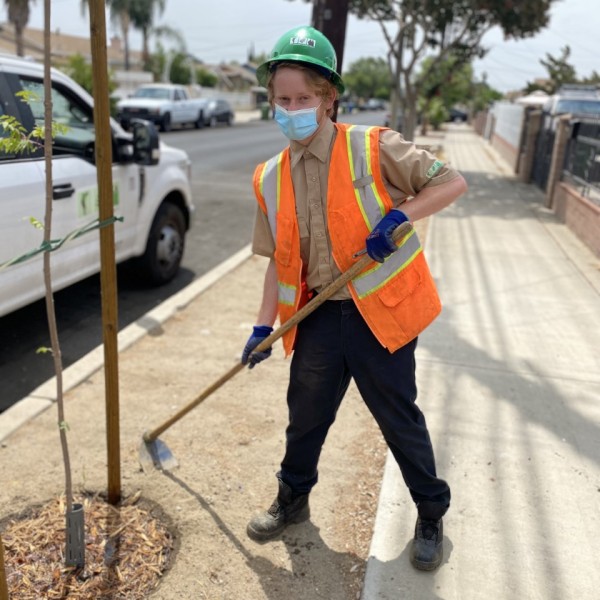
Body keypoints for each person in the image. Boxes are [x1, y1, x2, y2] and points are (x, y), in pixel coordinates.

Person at [241, 25, 467, 571]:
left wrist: (399, 215)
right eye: (282, 100)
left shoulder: (372, 147)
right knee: (306, 415)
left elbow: (451, 182)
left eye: (304, 98)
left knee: (397, 416)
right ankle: (292, 498)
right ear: (272, 101)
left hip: (378, 316)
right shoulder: (269, 177)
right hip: (317, 315)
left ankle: (431, 511)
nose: (292, 109)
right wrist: (260, 326)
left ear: (328, 97)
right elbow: (278, 260)